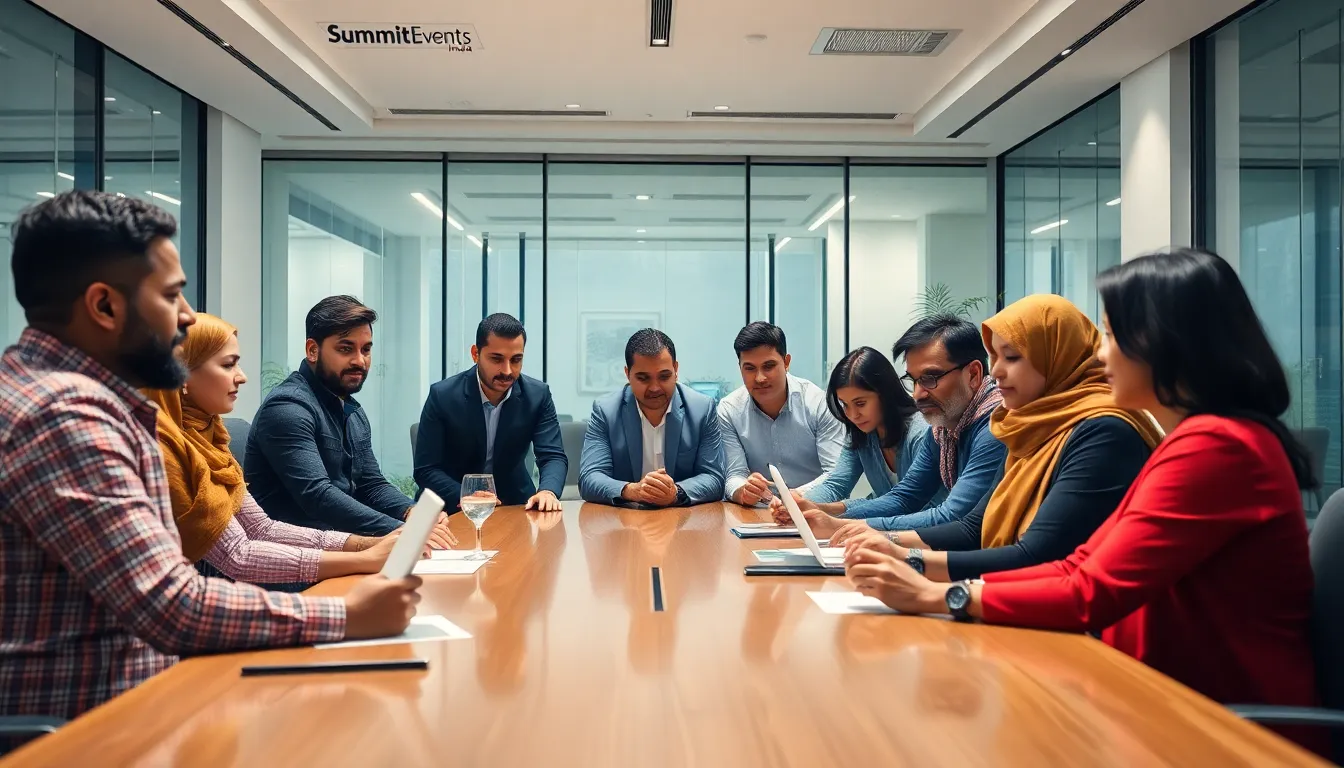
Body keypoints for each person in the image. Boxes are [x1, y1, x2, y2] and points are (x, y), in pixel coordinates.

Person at [844, 249, 1322, 752]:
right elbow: (1078, 565)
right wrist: (917, 567)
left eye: (1113, 336)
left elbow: (1089, 590)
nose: (1100, 354)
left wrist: (935, 593)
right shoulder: (1191, 439)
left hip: (1219, 727)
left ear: (1168, 343)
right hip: (1152, 692)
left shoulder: (1217, 448)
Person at [0, 191, 420, 720]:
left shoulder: (66, 397)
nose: (185, 317)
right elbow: (170, 605)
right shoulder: (65, 418)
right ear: (104, 305)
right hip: (99, 725)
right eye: (172, 295)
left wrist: (363, 554)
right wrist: (339, 613)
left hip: (145, 696)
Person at [835, 295, 1162, 584]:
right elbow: (973, 527)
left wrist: (906, 560)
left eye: (1013, 357)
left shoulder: (1102, 431)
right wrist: (885, 540)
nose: (999, 372)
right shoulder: (1025, 426)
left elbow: (1035, 554)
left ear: (1057, 357)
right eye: (997, 357)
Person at [145, 312, 444, 584]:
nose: (242, 376)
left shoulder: (210, 436)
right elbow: (238, 556)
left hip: (278, 564)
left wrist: (378, 539)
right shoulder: (166, 447)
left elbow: (262, 528)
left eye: (366, 349)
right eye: (228, 364)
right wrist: (363, 555)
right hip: (220, 595)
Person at [245, 296, 457, 544]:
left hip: (342, 547)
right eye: (346, 349)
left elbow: (370, 484)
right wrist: (406, 532)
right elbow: (318, 496)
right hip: (293, 561)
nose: (360, 360)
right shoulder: (287, 408)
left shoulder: (350, 409)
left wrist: (412, 513)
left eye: (366, 349)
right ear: (312, 350)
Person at [775, 315, 1007, 537]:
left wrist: (842, 525)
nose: (918, 394)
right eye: (914, 380)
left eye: (930, 378)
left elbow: (950, 516)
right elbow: (904, 497)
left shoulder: (993, 426)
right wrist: (819, 511)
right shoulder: (942, 428)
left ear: (974, 374)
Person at [414, 313, 567, 511]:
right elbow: (426, 469)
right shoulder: (442, 396)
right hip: (452, 505)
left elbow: (552, 456)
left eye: (516, 360)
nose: (507, 371)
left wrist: (548, 491)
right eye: (497, 359)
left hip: (514, 505)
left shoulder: (538, 396)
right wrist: (466, 495)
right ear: (475, 354)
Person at [579, 328, 725, 507]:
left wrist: (675, 492)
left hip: (683, 521)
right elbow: (590, 477)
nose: (655, 388)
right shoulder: (605, 411)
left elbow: (714, 478)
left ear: (676, 369)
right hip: (625, 521)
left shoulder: (702, 409)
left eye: (664, 376)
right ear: (627, 374)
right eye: (643, 378)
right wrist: (632, 491)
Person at [717, 322, 844, 507]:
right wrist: (743, 490)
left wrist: (794, 497)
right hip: (757, 514)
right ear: (740, 368)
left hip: (816, 511)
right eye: (750, 368)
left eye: (769, 366)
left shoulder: (819, 404)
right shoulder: (729, 410)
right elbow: (734, 475)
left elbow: (835, 475)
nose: (760, 378)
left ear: (786, 362)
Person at [801, 346, 937, 506]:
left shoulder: (921, 432)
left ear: (885, 394)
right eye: (845, 404)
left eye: (860, 403)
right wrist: (800, 503)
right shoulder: (861, 434)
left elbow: (912, 505)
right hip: (887, 527)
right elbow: (836, 485)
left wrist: (838, 510)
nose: (852, 415)